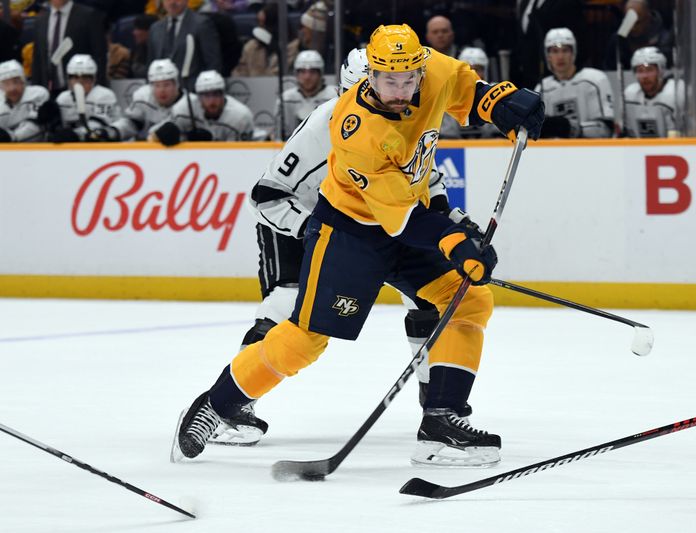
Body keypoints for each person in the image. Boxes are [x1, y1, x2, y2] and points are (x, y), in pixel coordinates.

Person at [172, 23, 545, 467]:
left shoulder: (430, 71)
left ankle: (441, 424)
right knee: (304, 341)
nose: (402, 89)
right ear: (370, 75)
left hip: (405, 219)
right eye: (391, 79)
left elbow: (465, 87)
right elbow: (400, 216)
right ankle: (216, 405)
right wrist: (456, 242)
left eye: (410, 78)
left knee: (467, 301)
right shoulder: (355, 129)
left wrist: (499, 101)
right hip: (351, 232)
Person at [536, 28, 614, 138]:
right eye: (555, 51)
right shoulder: (542, 88)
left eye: (565, 50)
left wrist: (569, 128)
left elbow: (605, 130)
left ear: (573, 53)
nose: (560, 57)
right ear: (547, 56)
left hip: (591, 152)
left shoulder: (595, 79)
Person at [96, 59, 182, 142]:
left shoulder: (188, 105)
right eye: (157, 85)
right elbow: (130, 123)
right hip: (144, 151)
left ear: (176, 84)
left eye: (166, 85)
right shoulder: (142, 97)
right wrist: (113, 131)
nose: (162, 90)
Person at [31, 0, 108, 93]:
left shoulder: (88, 15)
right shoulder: (40, 20)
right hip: (49, 91)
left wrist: (97, 88)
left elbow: (99, 55)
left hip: (82, 90)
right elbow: (37, 61)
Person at [163, 69, 254, 142]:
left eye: (216, 94)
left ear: (224, 94)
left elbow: (240, 156)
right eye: (206, 95)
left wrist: (208, 145)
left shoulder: (241, 117)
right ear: (198, 97)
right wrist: (184, 140)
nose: (212, 100)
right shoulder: (182, 110)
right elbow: (155, 136)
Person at [147, 0, 223, 85]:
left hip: (193, 90)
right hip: (162, 91)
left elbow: (213, 63)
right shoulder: (155, 28)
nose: (172, 2)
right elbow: (151, 64)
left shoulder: (202, 24)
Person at [51, 54, 119, 142]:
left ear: (94, 79)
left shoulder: (104, 95)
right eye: (75, 77)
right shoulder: (63, 98)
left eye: (85, 77)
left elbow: (97, 125)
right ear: (68, 79)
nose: (80, 82)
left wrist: (75, 134)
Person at [271, 49, 337, 140]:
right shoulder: (286, 99)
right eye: (302, 72)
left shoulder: (334, 97)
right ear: (296, 74)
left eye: (312, 72)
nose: (307, 77)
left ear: (320, 74)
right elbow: (277, 136)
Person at [622, 46, 684, 138]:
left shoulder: (676, 91)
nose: (645, 76)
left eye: (649, 70)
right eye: (640, 71)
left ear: (661, 71)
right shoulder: (630, 95)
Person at [604, 0, 673, 71]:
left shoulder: (665, 40)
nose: (633, 27)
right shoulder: (618, 39)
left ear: (648, 18)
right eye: (629, 21)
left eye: (637, 23)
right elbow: (610, 70)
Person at [0, 59, 50, 142]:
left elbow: (36, 127)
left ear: (24, 81)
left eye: (16, 82)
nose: (12, 88)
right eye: (6, 84)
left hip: (37, 149)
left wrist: (11, 137)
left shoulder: (38, 94)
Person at [231, 3, 279, 77]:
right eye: (259, 23)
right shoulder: (250, 47)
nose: (260, 28)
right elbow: (240, 71)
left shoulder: (289, 47)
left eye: (264, 24)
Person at [131, 14, 158, 79]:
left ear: (150, 31)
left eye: (138, 29)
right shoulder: (137, 49)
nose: (134, 33)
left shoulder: (159, 50)